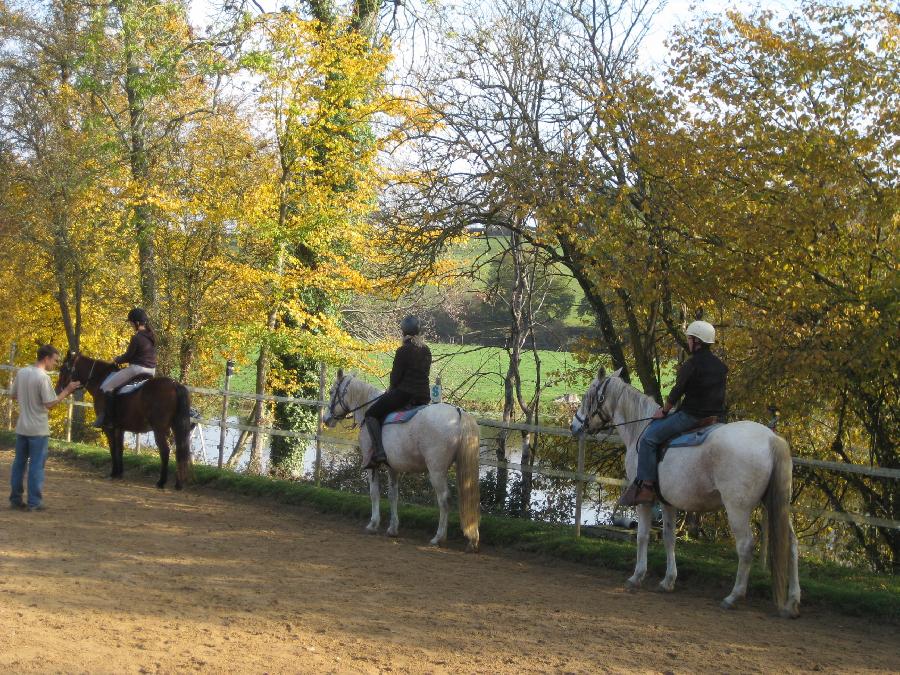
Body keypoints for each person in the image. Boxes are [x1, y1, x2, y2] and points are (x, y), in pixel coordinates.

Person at [620, 320, 728, 506]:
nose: (688, 342)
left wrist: (664, 411)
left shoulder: (691, 365)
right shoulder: (720, 366)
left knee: (648, 439)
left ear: (696, 341)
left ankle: (646, 488)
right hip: (713, 419)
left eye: (689, 339)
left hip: (690, 417)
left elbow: (678, 390)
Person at [9, 344, 81, 511]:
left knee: (19, 464)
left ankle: (15, 499)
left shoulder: (22, 372)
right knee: (36, 466)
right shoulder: (43, 378)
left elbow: (13, 395)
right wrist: (68, 390)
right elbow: (50, 403)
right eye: (54, 360)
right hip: (38, 429)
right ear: (46, 358)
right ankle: (34, 502)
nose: (55, 364)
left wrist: (28, 399)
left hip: (22, 427)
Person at [362, 316, 432, 469]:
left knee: (371, 414)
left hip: (405, 394)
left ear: (403, 332)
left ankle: (379, 453)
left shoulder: (403, 350)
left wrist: (390, 391)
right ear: (419, 331)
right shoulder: (426, 349)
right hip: (424, 397)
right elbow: (425, 373)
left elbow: (395, 377)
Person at [93, 308, 158, 428]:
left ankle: (108, 419)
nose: (131, 325)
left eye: (131, 323)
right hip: (152, 371)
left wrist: (117, 359)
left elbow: (128, 356)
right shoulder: (151, 337)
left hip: (137, 370)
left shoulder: (136, 338)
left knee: (107, 386)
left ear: (137, 323)